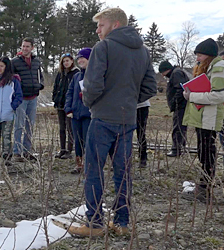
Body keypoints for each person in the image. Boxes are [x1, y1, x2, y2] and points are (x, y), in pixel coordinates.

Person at [68, 8, 157, 237]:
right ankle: (122, 223)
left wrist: (91, 103)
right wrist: (127, 101)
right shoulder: (143, 51)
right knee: (123, 173)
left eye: (101, 25)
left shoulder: (104, 47)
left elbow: (92, 85)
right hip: (128, 120)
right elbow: (150, 87)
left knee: (94, 170)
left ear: (115, 25)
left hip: (103, 119)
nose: (98, 30)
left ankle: (95, 224)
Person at [182, 38, 224, 203]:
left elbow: (219, 95)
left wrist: (191, 96)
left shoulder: (219, 67)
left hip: (210, 118)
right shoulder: (209, 67)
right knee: (203, 153)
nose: (197, 58)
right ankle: (202, 185)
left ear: (208, 55)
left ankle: (205, 190)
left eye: (200, 54)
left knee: (207, 154)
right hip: (203, 117)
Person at [12, 38, 44, 161]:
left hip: (33, 96)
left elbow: (40, 76)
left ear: (32, 47)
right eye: (23, 46)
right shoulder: (15, 62)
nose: (25, 48)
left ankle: (26, 151)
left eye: (27, 46)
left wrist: (40, 85)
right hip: (21, 98)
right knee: (19, 125)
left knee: (30, 125)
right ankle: (16, 152)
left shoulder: (36, 61)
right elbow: (10, 79)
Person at [0, 56, 23, 161]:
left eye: (2, 66)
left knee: (6, 137)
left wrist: (12, 106)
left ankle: (7, 158)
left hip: (8, 114)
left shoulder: (13, 81)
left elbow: (19, 96)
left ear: (6, 67)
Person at [64, 48, 92, 173]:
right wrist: (68, 108)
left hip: (89, 114)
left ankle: (89, 164)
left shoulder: (94, 75)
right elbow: (69, 93)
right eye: (79, 58)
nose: (80, 60)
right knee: (77, 140)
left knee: (88, 139)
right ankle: (79, 164)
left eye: (83, 58)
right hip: (76, 114)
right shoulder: (76, 77)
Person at [159, 61, 190, 157]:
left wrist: (174, 102)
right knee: (181, 126)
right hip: (181, 105)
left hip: (180, 106)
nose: (162, 75)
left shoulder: (176, 74)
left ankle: (176, 149)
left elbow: (180, 89)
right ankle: (181, 148)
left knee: (178, 127)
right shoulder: (177, 72)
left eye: (162, 73)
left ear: (165, 70)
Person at [52, 53, 79, 159]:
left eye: (67, 60)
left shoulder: (76, 73)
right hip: (60, 103)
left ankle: (69, 150)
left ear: (72, 61)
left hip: (70, 105)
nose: (66, 63)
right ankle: (62, 149)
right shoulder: (60, 73)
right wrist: (55, 98)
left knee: (70, 128)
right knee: (62, 128)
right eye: (64, 61)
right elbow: (56, 87)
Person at [136, 101, 150, 167]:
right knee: (124, 133)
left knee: (141, 132)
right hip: (126, 106)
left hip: (141, 105)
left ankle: (143, 157)